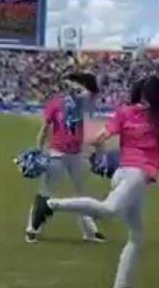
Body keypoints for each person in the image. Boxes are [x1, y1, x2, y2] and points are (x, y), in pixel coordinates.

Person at [30, 76, 159, 288]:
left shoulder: (127, 113)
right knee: (109, 210)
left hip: (127, 175)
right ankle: (50, 205)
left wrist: (96, 149)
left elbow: (102, 137)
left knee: (137, 236)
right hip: (135, 175)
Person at [25, 71, 105, 245]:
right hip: (57, 154)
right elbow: (44, 129)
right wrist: (39, 151)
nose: (71, 87)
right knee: (46, 192)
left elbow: (94, 89)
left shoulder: (83, 101)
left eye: (74, 84)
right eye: (68, 84)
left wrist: (78, 78)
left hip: (77, 154)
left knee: (82, 194)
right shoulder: (55, 104)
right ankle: (33, 228)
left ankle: (90, 231)